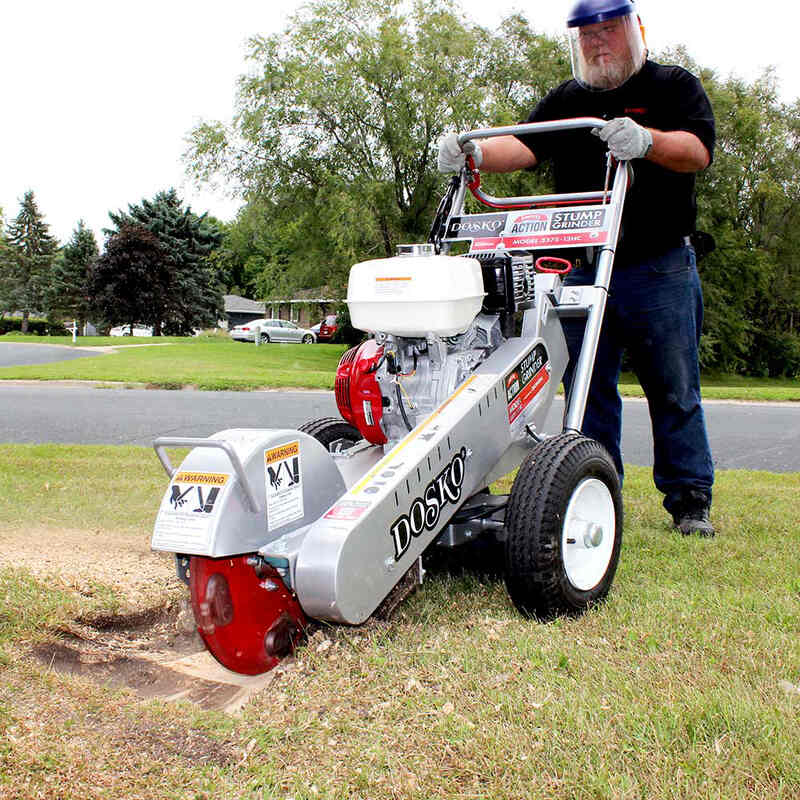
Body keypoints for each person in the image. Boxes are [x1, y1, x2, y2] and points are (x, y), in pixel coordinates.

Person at [438, 0, 716, 536]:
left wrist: (647, 140)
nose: (598, 43)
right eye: (587, 35)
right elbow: (521, 145)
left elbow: (697, 150)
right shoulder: (570, 100)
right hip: (584, 268)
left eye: (608, 29)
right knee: (587, 387)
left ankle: (689, 500)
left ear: (635, 30)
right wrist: (471, 152)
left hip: (659, 267)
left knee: (675, 387)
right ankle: (596, 488)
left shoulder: (673, 86)